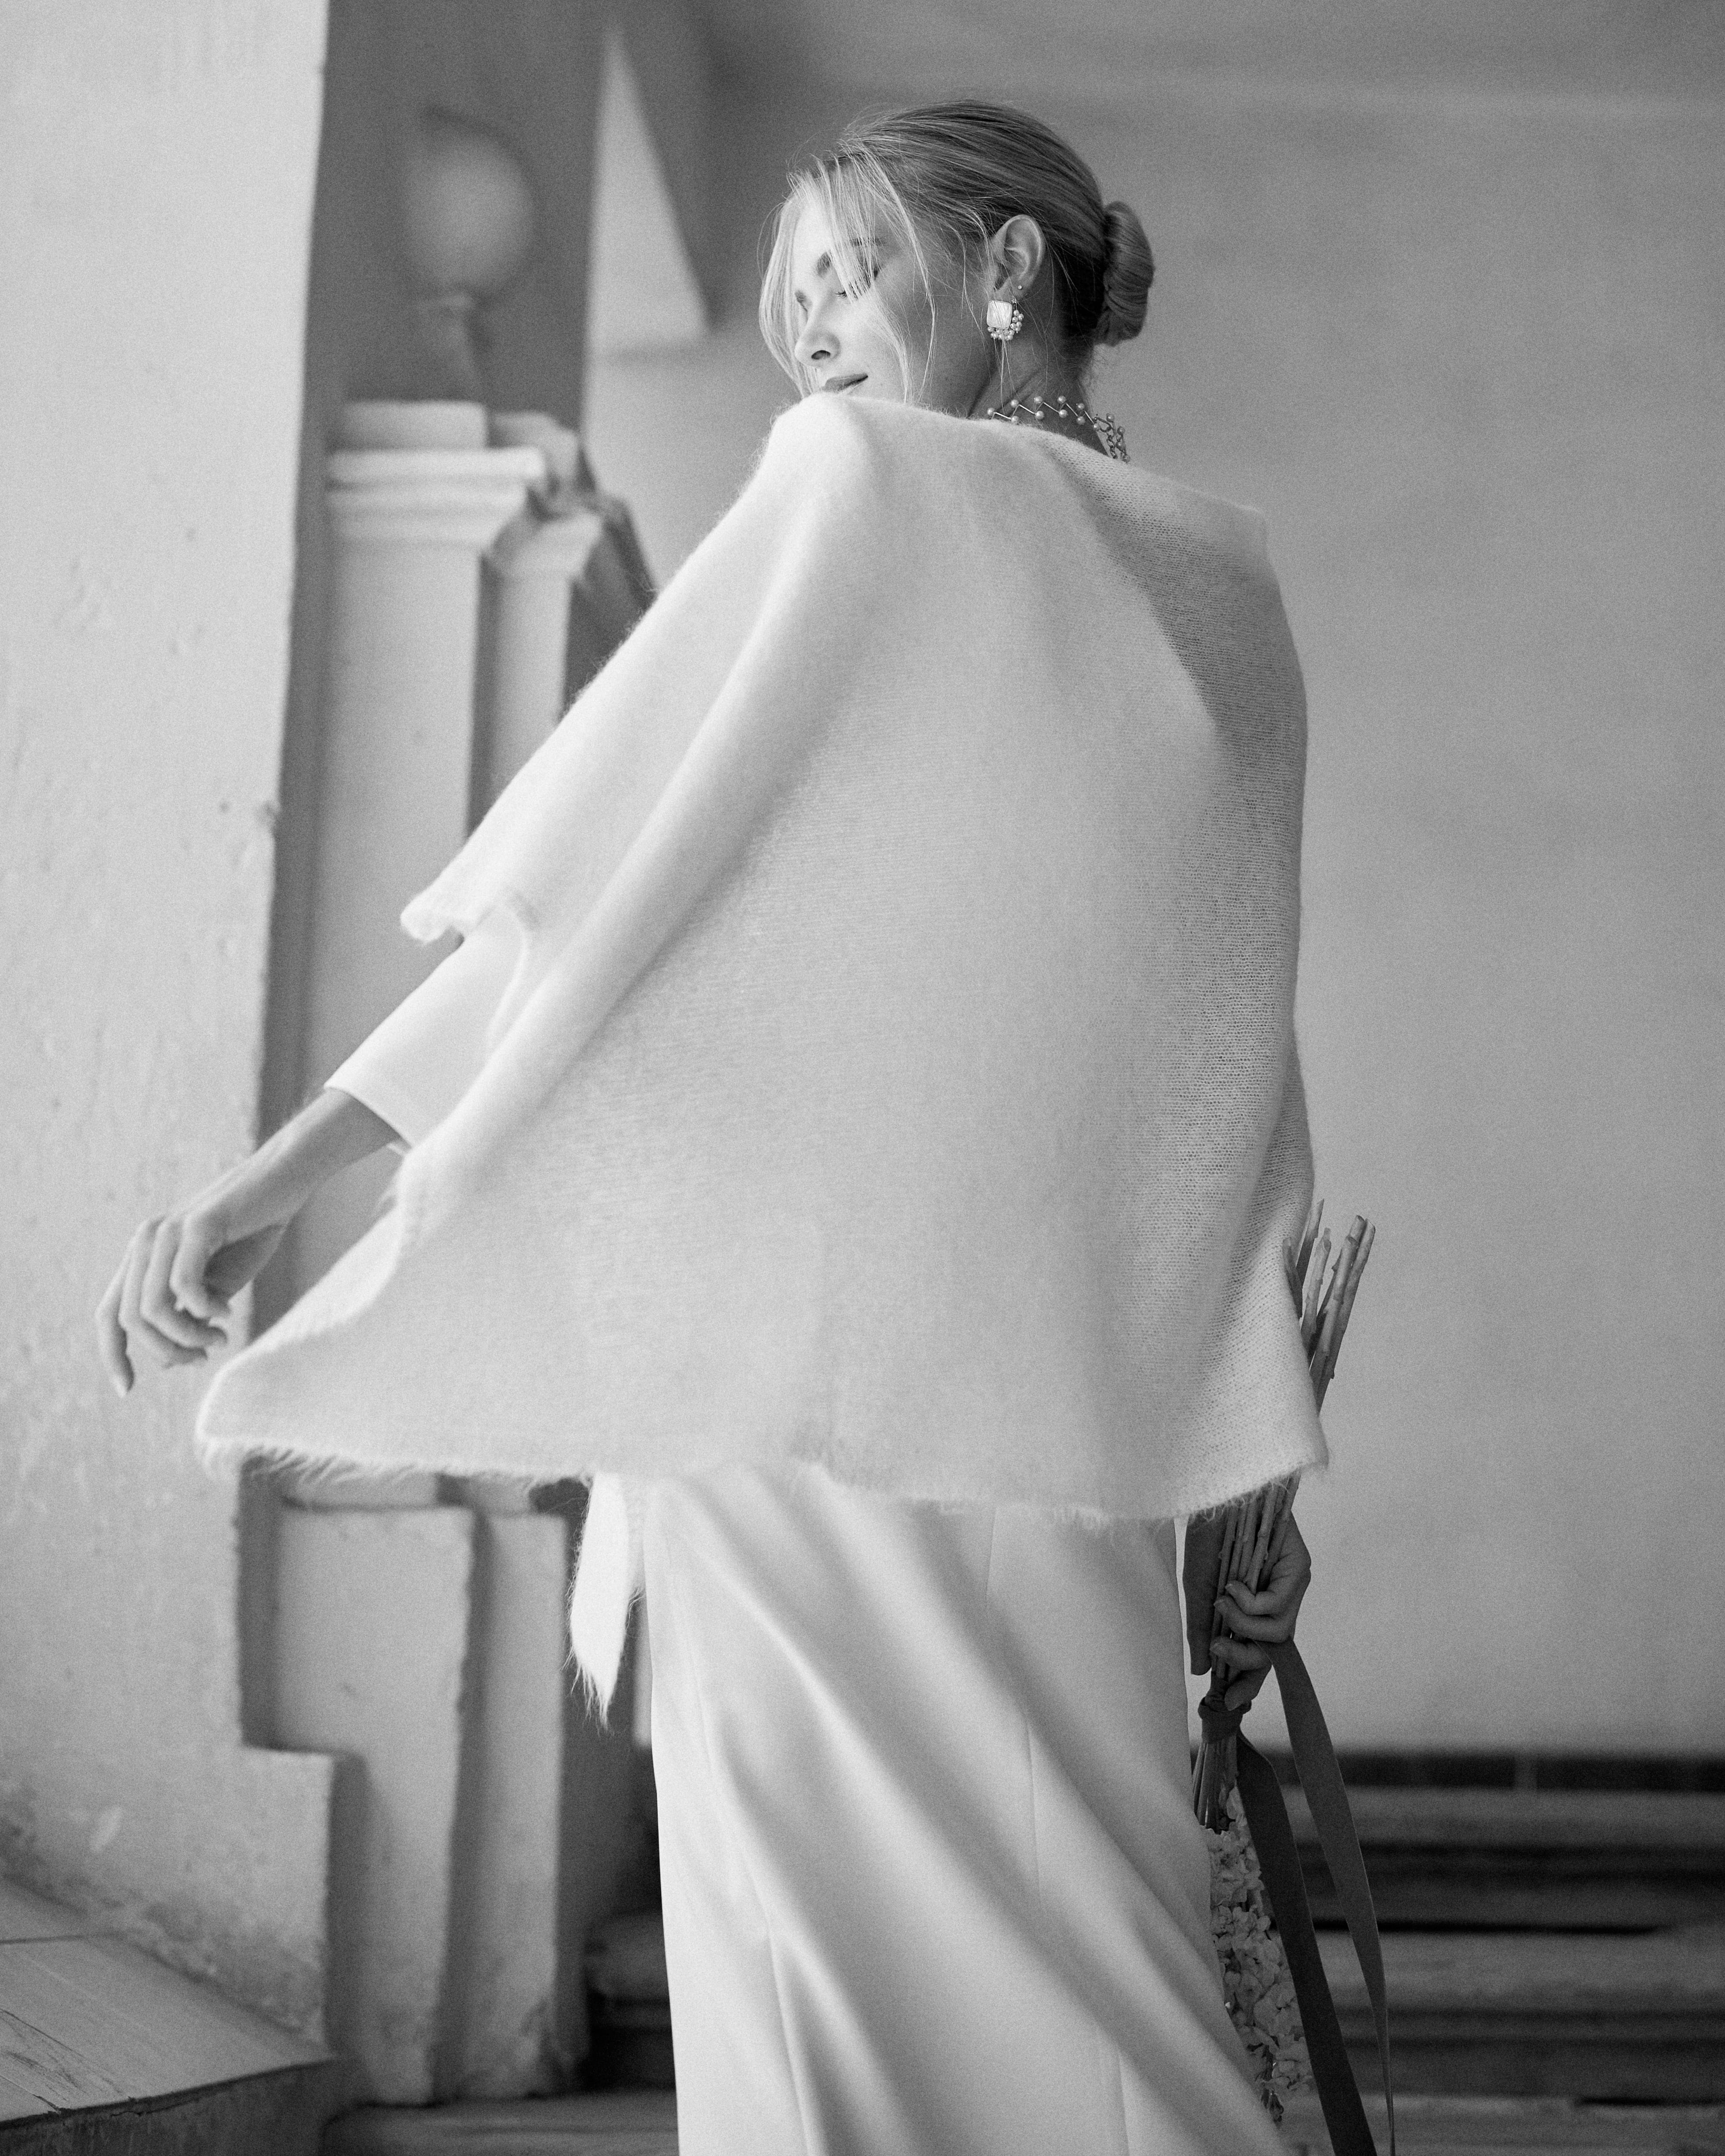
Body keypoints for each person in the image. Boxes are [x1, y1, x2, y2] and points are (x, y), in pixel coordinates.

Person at [99, 101, 1323, 2156]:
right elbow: (1229, 1084)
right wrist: (1256, 1462)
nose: (812, 332)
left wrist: (273, 1184)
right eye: (791, 298)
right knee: (1104, 1994)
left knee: (818, 2000)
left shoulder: (866, 492)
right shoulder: (1226, 604)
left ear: (1004, 271)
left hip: (810, 1397)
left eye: (848, 273)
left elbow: (582, 914)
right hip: (1051, 1417)